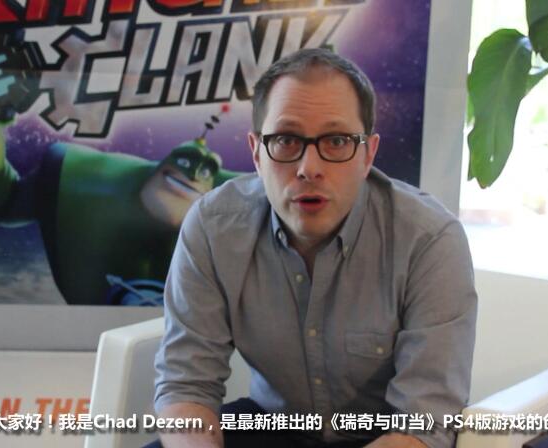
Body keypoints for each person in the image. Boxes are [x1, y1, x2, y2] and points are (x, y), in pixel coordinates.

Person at [152, 48, 477, 447]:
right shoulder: (212, 227)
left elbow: (423, 422)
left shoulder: (430, 240)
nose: (309, 168)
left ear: (368, 154)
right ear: (256, 153)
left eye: (337, 141)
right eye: (286, 140)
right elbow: (186, 385)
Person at [0, 71, 239, 305]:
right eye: (185, 162)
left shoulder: (241, 201)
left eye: (204, 171)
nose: (192, 174)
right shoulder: (83, 181)